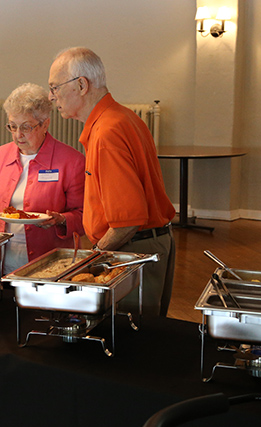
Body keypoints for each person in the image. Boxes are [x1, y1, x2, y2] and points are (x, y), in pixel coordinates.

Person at [48, 47, 175, 317]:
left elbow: (127, 221)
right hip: (147, 244)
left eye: (55, 87)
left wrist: (91, 257)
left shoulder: (107, 131)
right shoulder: (122, 117)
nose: (51, 97)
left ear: (81, 85)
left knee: (131, 342)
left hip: (134, 249)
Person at [0, 83, 85, 282]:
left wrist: (61, 220)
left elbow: (84, 216)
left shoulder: (72, 161)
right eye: (13, 126)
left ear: (45, 124)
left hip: (48, 265)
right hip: (5, 260)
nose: (18, 134)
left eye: (26, 127)